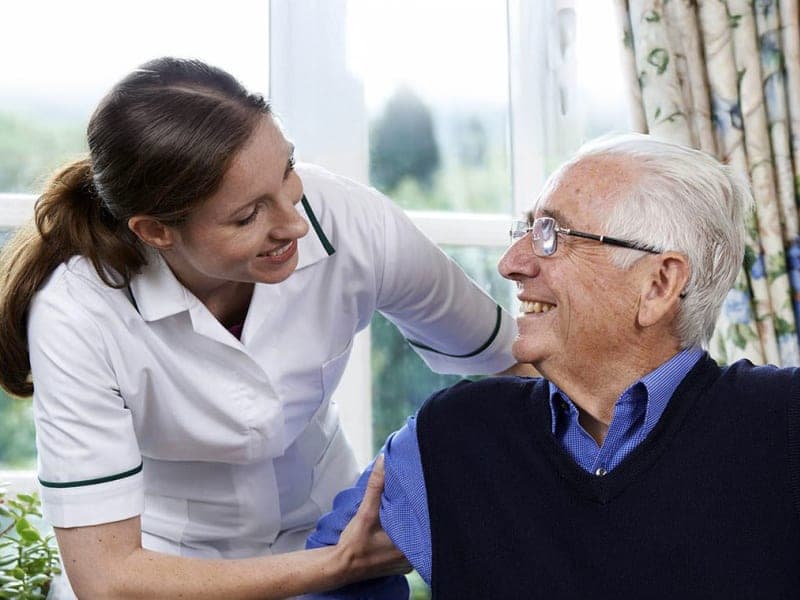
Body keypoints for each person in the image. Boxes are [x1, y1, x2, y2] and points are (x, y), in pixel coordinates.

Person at [0, 57, 527, 598]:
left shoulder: (350, 222)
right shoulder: (78, 312)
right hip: (168, 570)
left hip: (325, 533)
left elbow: (516, 362)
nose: (295, 223)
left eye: (287, 170)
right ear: (156, 230)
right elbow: (108, 578)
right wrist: (339, 565)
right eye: (248, 215)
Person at [308, 133, 800, 598]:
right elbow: (324, 579)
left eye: (551, 235)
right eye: (526, 229)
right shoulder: (453, 435)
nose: (511, 262)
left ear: (658, 285)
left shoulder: (782, 423)